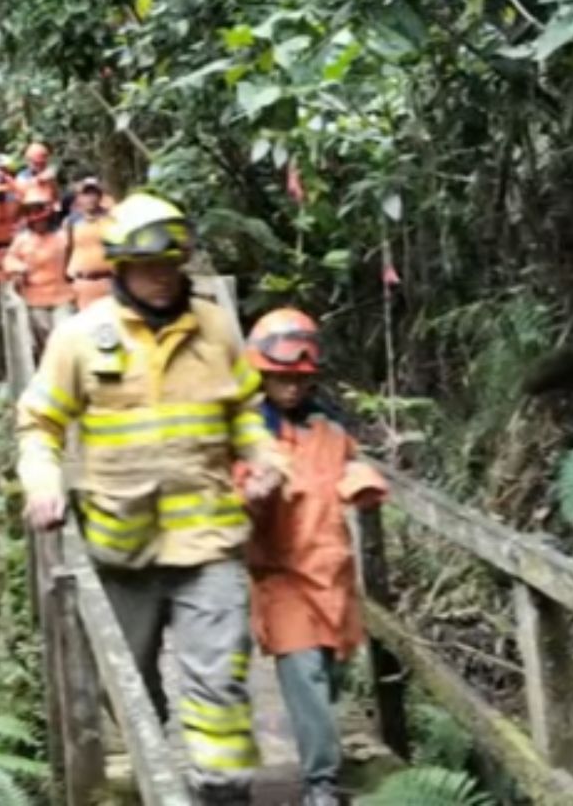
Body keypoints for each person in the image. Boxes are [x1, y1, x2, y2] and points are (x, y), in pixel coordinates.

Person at [15, 193, 290, 804]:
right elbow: (39, 424)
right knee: (128, 686)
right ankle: (151, 755)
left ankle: (223, 791)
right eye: (148, 268)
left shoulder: (215, 327)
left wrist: (265, 457)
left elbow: (244, 409)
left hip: (209, 541)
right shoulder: (81, 337)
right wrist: (43, 484)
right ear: (120, 268)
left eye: (171, 265)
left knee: (220, 678)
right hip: (122, 546)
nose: (162, 279)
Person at [239, 309, 388, 806]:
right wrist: (254, 494)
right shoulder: (249, 434)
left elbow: (348, 465)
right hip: (282, 576)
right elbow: (233, 493)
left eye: (300, 378)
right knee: (305, 675)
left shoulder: (329, 427)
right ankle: (320, 784)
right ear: (263, 374)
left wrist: (360, 478)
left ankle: (321, 765)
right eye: (281, 376)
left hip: (333, 574)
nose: (292, 387)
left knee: (330, 676)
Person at [3, 187, 76, 352]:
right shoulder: (22, 240)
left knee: (64, 335)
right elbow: (9, 259)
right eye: (32, 211)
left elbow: (75, 258)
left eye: (39, 210)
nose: (37, 219)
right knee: (44, 339)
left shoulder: (63, 236)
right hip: (35, 298)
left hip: (62, 296)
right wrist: (19, 267)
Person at [65, 177, 116, 310]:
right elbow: (67, 248)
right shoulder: (71, 221)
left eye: (94, 194)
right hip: (83, 283)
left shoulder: (112, 218)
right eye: (86, 194)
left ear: (100, 196)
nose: (90, 198)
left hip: (109, 282)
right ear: (79, 198)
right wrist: (66, 279)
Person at [15, 141, 61, 209]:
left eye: (42, 163)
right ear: (29, 161)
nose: (39, 166)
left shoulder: (49, 174)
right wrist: (38, 180)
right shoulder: (22, 176)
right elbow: (19, 196)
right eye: (36, 163)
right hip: (30, 208)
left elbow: (56, 196)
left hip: (49, 209)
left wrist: (57, 209)